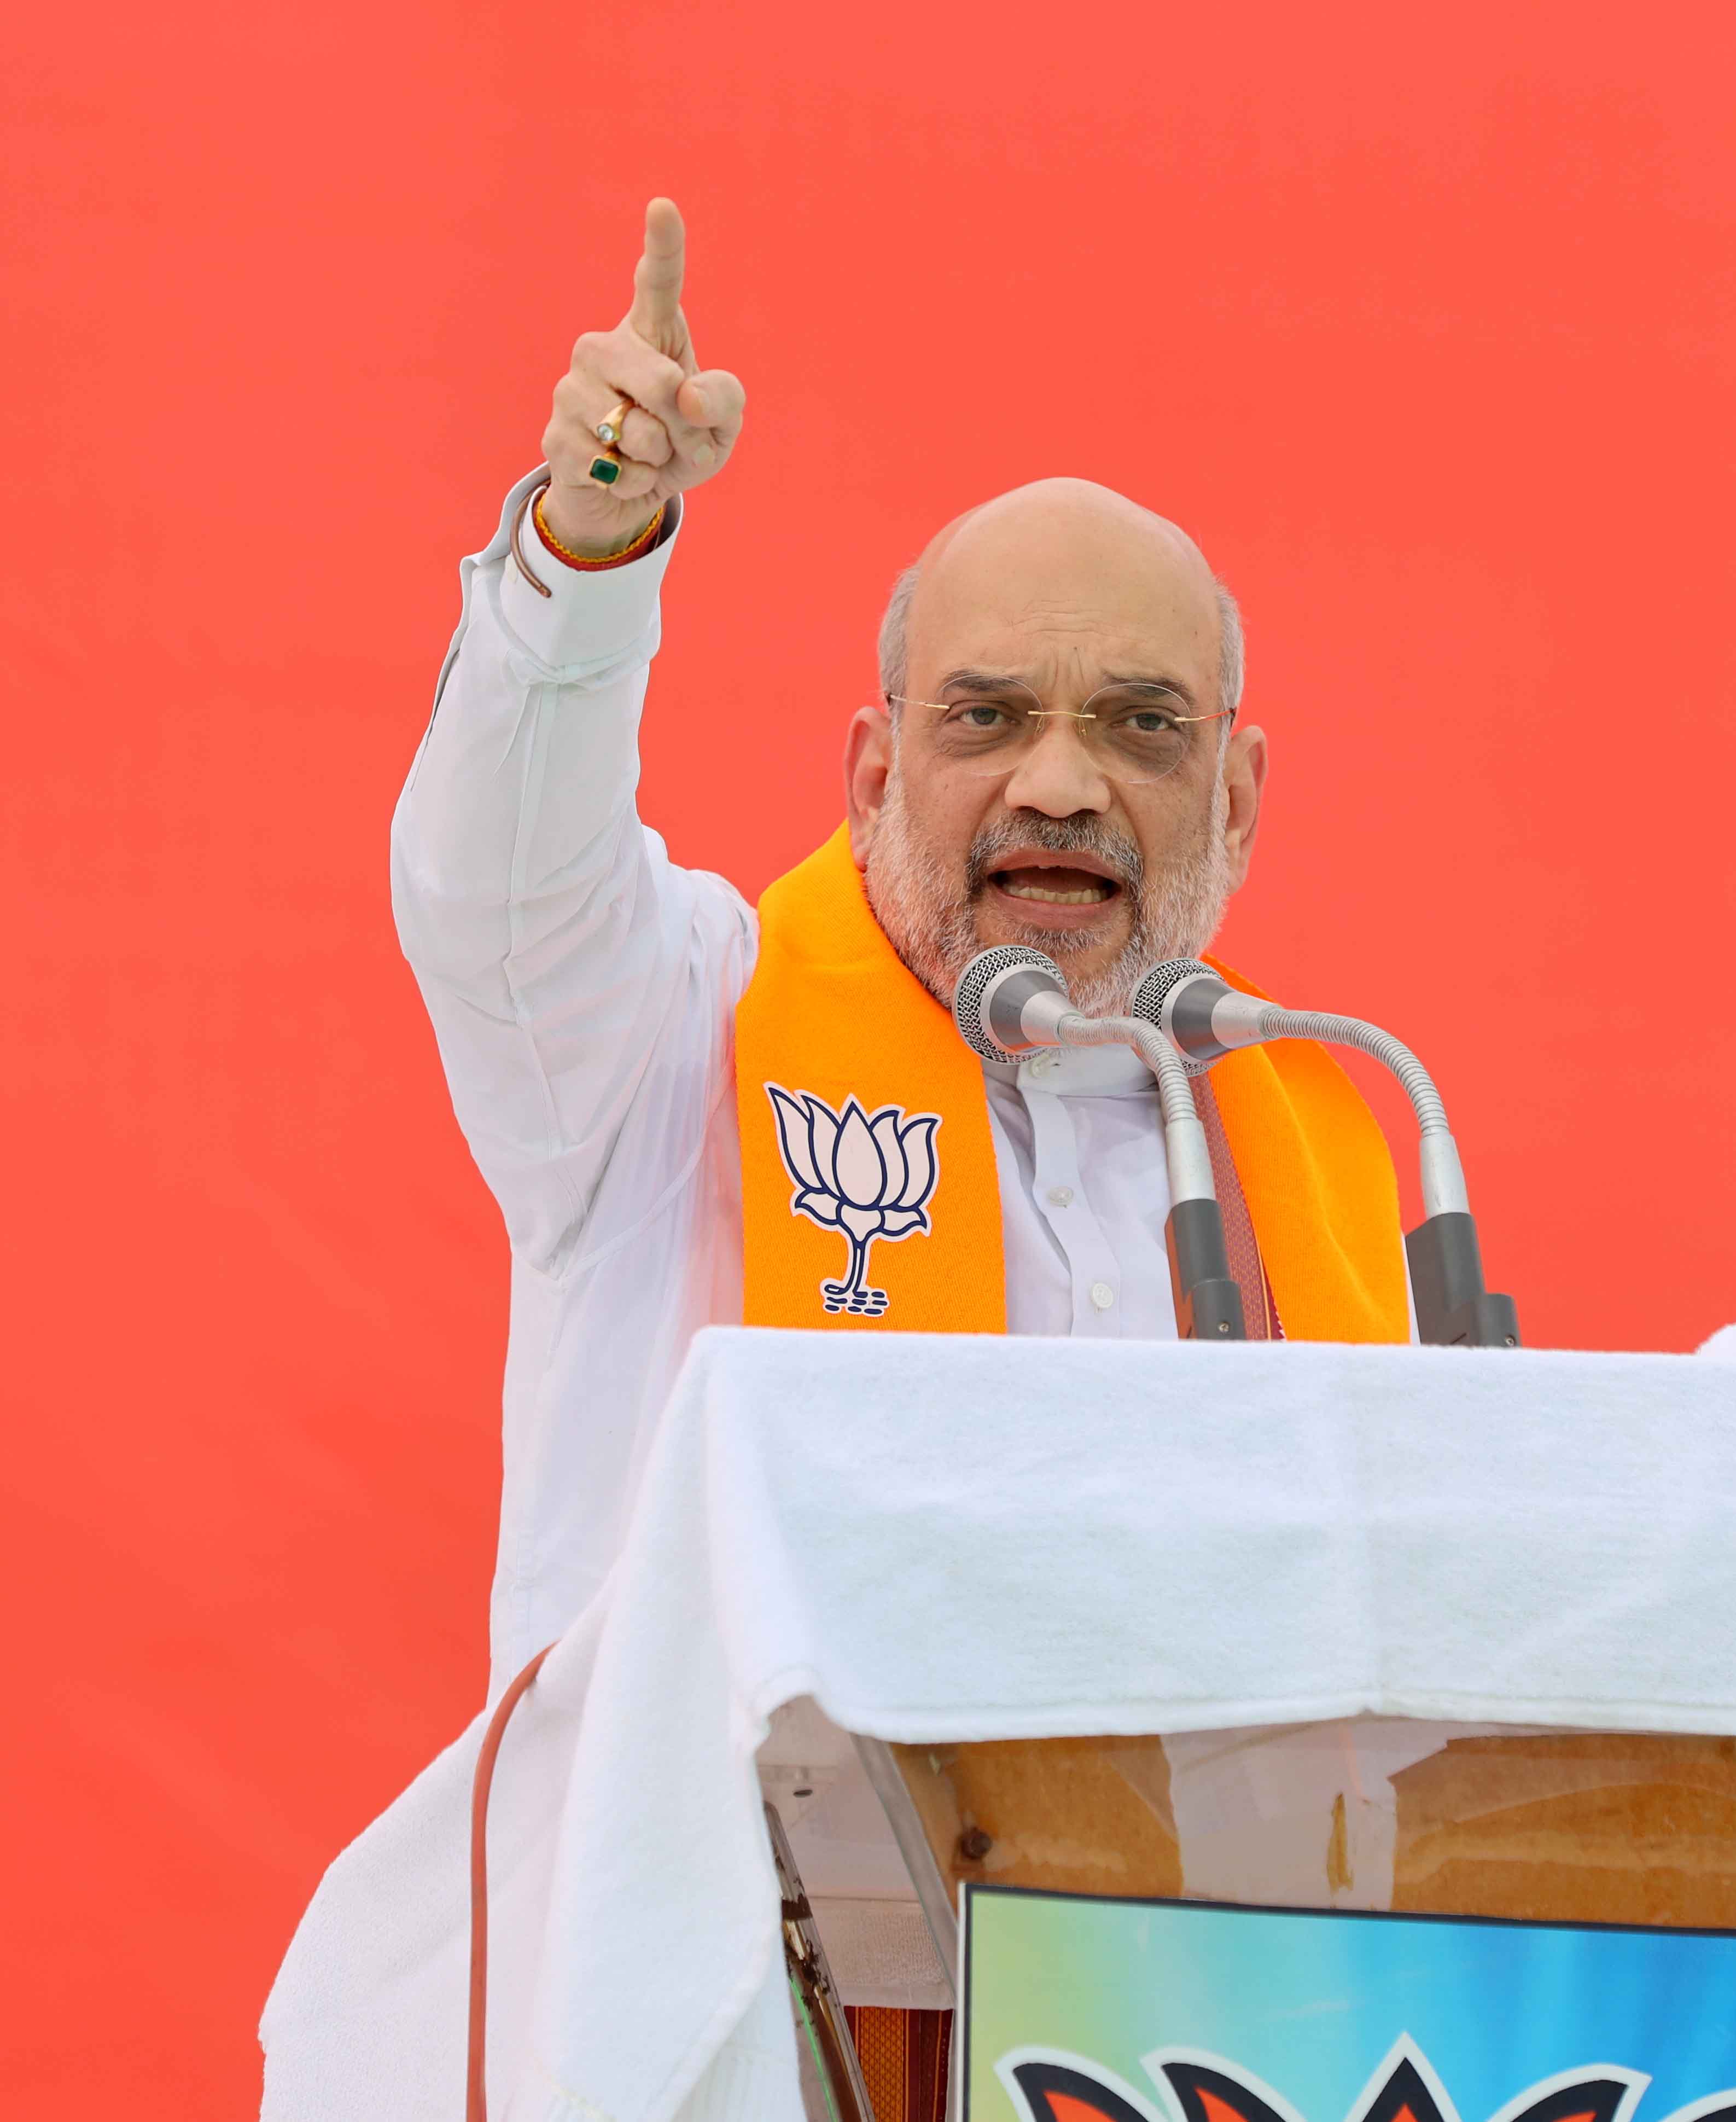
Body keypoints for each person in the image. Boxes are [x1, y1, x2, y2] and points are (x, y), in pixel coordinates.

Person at [341, 194, 1410, 2122]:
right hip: (736, 2008)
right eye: (984, 719)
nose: (1062, 783)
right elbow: (495, 882)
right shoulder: (677, 1031)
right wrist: (589, 548)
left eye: (1141, 729)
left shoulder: (1312, 1127)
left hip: (1211, 2024)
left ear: (1234, 791)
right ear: (868, 774)